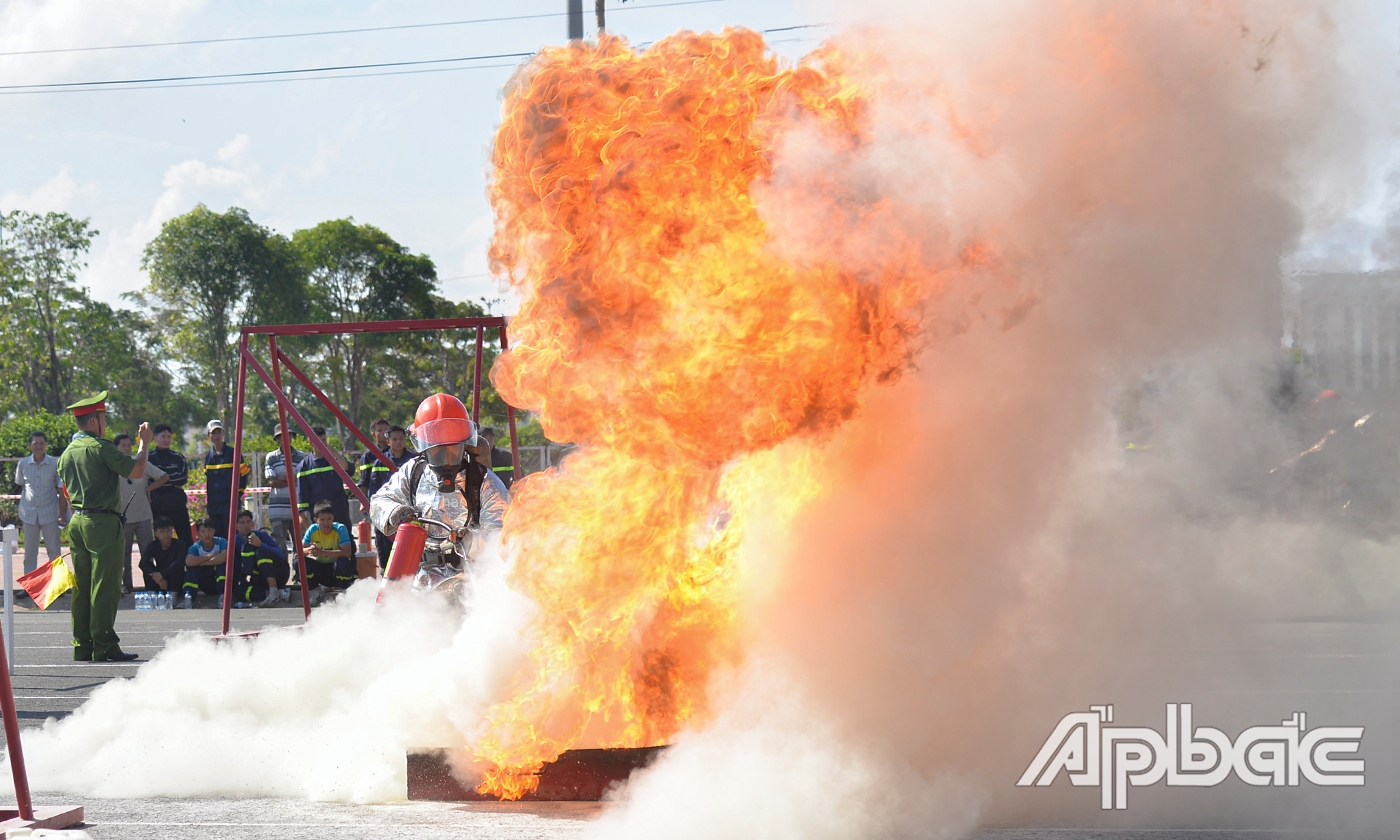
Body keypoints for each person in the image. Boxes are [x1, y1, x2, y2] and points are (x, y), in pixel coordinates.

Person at [370, 394, 511, 578]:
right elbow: (379, 501)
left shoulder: (483, 480)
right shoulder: (413, 472)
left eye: (452, 447)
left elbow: (500, 538)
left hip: (471, 581)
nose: (445, 455)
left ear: (464, 443)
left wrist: (471, 540)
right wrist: (395, 512)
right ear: (425, 445)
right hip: (420, 579)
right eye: (438, 448)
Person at [56, 391, 149, 662]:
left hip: (78, 522)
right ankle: (105, 645)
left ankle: (83, 645)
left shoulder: (66, 454)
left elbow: (66, 493)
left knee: (82, 586)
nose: (105, 424)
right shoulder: (99, 447)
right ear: (95, 421)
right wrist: (144, 444)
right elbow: (137, 471)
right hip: (103, 522)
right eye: (104, 418)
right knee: (105, 585)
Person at [116, 433, 168, 595]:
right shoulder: (113, 465)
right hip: (122, 518)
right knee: (123, 555)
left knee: (147, 552)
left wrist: (149, 488)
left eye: (128, 444)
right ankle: (127, 585)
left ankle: (151, 583)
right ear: (116, 448)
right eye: (122, 445)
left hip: (143, 516)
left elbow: (164, 476)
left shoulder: (140, 463)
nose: (126, 448)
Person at [14, 431, 67, 587]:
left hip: (50, 513)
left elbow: (61, 490)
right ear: (30, 446)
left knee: (54, 552)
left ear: (46, 445)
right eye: (35, 443)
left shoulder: (54, 463)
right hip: (29, 513)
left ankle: (57, 586)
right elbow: (21, 484)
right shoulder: (23, 463)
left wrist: (62, 513)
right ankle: (30, 587)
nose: (38, 446)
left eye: (41, 443)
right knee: (29, 553)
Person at [362, 423, 417, 570]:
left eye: (401, 438)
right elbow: (374, 488)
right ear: (388, 441)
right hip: (388, 513)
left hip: (410, 513)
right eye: (395, 439)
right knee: (385, 547)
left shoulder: (414, 460)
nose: (398, 442)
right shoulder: (379, 462)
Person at [296, 426, 351, 532]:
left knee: (346, 542)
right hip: (319, 514)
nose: (323, 444)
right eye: (319, 441)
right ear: (311, 443)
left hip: (339, 510)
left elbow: (348, 469)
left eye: (324, 440)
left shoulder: (335, 458)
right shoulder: (304, 466)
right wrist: (302, 514)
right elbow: (302, 493)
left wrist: (334, 453)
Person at [148, 423, 193, 546]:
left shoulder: (178, 458)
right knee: (161, 541)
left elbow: (182, 478)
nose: (166, 440)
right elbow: (148, 481)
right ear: (155, 438)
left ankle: (190, 564)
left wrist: (161, 480)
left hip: (177, 505)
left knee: (186, 539)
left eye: (169, 436)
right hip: (158, 506)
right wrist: (170, 480)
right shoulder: (149, 458)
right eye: (163, 436)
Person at [203, 419, 249, 539]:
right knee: (218, 537)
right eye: (214, 433)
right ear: (209, 436)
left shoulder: (233, 453)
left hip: (230, 503)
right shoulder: (208, 457)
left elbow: (244, 474)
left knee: (233, 536)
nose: (217, 435)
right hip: (214, 505)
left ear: (223, 434)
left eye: (219, 432)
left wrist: (238, 493)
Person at [233, 509, 289, 607]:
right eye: (242, 522)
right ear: (236, 526)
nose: (246, 525)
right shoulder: (235, 541)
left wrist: (261, 544)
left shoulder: (261, 535)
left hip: (278, 573)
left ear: (253, 524)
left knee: (260, 552)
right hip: (259, 579)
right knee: (238, 591)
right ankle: (272, 594)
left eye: (248, 522)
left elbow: (280, 554)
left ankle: (274, 589)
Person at [301, 501, 353, 605]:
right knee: (298, 562)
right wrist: (310, 549)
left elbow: (347, 552)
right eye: (322, 520)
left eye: (329, 519)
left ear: (333, 518)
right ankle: (316, 592)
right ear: (316, 520)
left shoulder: (340, 528)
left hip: (336, 570)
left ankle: (344, 591)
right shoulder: (312, 529)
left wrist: (322, 552)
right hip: (321, 570)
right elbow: (300, 551)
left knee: (344, 562)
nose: (326, 523)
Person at [264, 428, 306, 552]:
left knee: (300, 543)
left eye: (288, 435)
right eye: (282, 436)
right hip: (278, 509)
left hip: (297, 507)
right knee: (278, 543)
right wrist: (291, 479)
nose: (286, 438)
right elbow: (271, 482)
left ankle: (299, 570)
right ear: (277, 439)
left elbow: (301, 479)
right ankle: (282, 570)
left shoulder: (301, 456)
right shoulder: (271, 457)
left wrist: (281, 479)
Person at [183, 518, 228, 607]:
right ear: (198, 534)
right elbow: (189, 561)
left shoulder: (222, 542)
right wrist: (211, 556)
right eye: (203, 531)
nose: (207, 534)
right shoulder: (195, 547)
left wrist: (201, 563)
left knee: (222, 565)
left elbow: (224, 557)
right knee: (192, 569)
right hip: (205, 583)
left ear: (214, 531)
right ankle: (188, 598)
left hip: (221, 581)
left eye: (209, 530)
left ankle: (223, 597)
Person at [139, 516, 186, 595]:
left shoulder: (179, 544)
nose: (166, 534)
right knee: (148, 568)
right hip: (159, 579)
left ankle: (174, 594)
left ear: (172, 530)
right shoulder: (152, 545)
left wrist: (161, 574)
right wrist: (159, 578)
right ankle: (152, 593)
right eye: (162, 531)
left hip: (174, 578)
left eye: (168, 531)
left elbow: (180, 562)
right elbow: (142, 563)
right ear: (156, 533)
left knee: (177, 568)